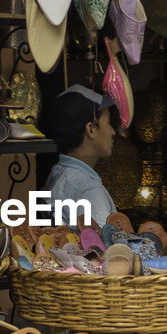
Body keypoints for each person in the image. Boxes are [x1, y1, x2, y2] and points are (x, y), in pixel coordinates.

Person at [43, 84, 118, 228]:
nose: (113, 132)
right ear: (91, 129)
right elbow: (108, 248)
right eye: (108, 123)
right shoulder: (88, 190)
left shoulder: (59, 173)